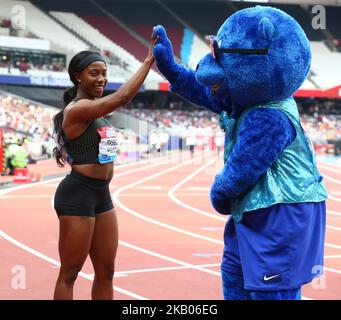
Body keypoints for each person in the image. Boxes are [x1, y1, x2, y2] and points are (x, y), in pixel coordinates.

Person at [52, 29, 159, 300]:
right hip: (77, 193)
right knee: (71, 271)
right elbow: (121, 98)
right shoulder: (76, 110)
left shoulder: (96, 110)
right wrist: (148, 61)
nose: (101, 79)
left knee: (106, 271)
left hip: (102, 194)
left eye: (104, 73)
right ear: (78, 77)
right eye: (94, 73)